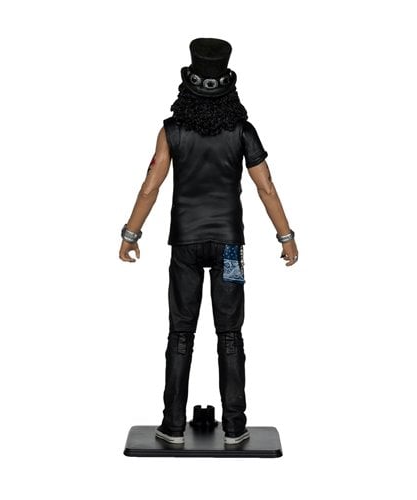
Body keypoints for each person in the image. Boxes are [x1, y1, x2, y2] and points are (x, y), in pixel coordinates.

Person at [119, 38, 298, 446]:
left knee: (180, 334)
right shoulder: (243, 131)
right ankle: (234, 427)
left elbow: (150, 186)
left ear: (187, 85)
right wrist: (285, 236)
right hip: (229, 248)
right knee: (230, 334)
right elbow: (266, 187)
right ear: (230, 87)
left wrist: (131, 233)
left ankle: (173, 426)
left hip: (185, 245)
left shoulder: (172, 131)